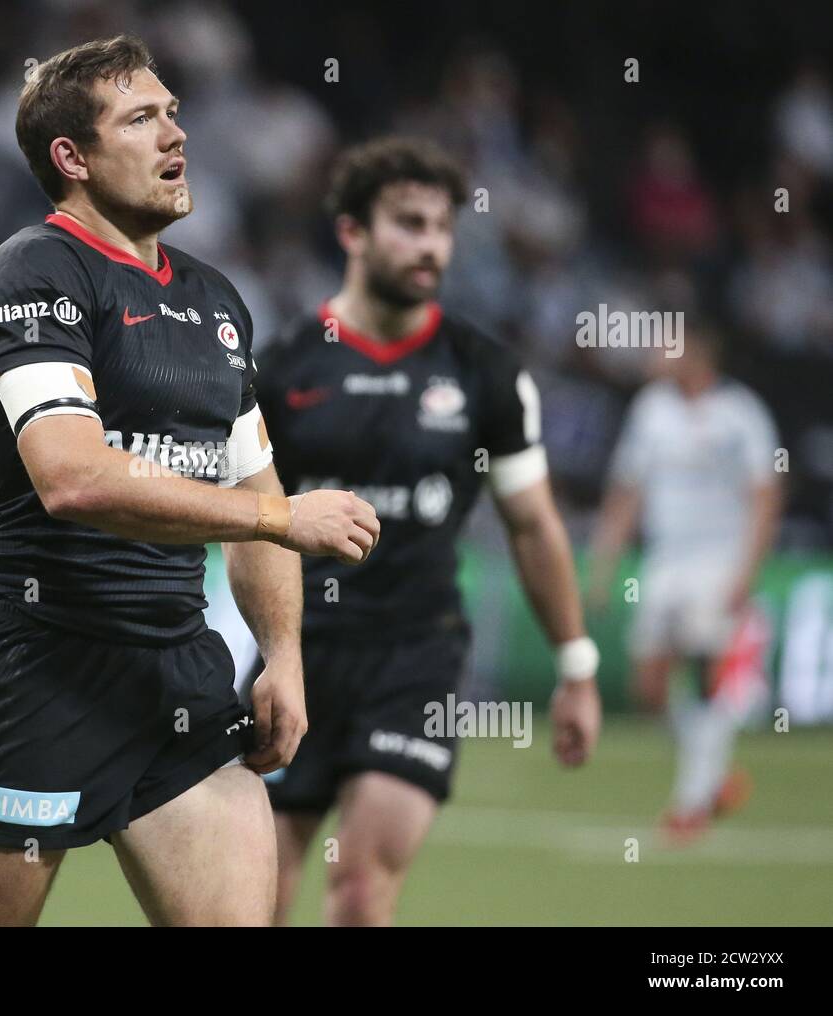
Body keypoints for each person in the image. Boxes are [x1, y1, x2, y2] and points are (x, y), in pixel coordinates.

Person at [0, 35, 379, 927]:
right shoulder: (34, 271)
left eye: (172, 112)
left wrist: (282, 653)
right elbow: (75, 479)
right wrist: (282, 521)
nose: (175, 133)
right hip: (37, 672)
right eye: (141, 118)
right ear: (73, 158)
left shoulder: (214, 301)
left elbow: (254, 475)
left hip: (177, 676)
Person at [243, 136, 602, 925]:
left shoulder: (484, 371)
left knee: (363, 890)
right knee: (251, 898)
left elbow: (534, 525)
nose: (430, 245)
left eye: (441, 227)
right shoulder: (284, 368)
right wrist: (274, 652)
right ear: (352, 233)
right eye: (408, 224)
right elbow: (248, 525)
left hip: (417, 659)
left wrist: (577, 665)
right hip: (298, 651)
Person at [587, 323, 780, 843]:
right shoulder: (651, 410)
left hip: (719, 560)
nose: (656, 354)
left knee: (707, 675)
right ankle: (713, 775)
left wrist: (746, 570)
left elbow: (766, 494)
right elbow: (626, 490)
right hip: (664, 562)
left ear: (698, 352)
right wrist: (604, 565)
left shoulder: (741, 413)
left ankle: (692, 801)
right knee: (648, 686)